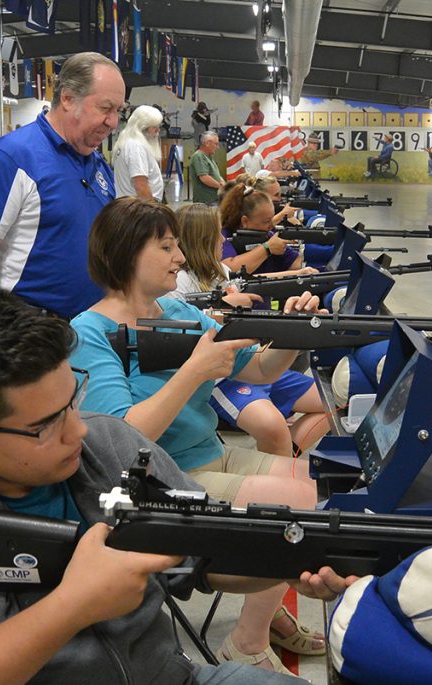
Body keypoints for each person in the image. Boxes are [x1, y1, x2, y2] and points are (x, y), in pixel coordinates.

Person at [0, 287, 354, 684]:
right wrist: (73, 605)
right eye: (46, 424)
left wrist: (287, 561)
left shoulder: (106, 444)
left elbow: (203, 557)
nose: (80, 430)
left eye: (74, 399)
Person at [70, 197, 330, 674]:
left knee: (319, 494)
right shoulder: (88, 332)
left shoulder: (172, 308)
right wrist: (192, 371)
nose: (181, 257)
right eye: (166, 247)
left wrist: (294, 333)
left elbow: (257, 367)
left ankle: (266, 616)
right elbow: (123, 440)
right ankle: (247, 642)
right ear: (127, 253)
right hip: (160, 482)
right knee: (297, 511)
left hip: (212, 454)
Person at [0, 52, 123, 320]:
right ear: (69, 99)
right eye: (106, 108)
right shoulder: (12, 157)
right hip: (32, 332)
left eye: (118, 110)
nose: (113, 121)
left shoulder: (97, 164)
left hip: (92, 325)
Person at [173, 203, 329, 457]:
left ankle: (285, 451)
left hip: (249, 360)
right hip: (220, 376)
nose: (223, 238)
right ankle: (278, 465)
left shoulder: (217, 269)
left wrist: (297, 274)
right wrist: (221, 307)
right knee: (272, 427)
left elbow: (250, 284)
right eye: (216, 233)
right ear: (201, 239)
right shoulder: (179, 282)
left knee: (332, 404)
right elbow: (181, 336)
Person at [220, 185, 313, 278]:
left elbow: (295, 263)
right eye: (266, 221)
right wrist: (267, 249)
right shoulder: (222, 236)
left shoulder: (268, 235)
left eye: (272, 219)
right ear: (245, 221)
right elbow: (228, 269)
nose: (272, 225)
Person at [113, 105, 165, 201]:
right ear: (143, 127)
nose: (158, 130)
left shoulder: (126, 142)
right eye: (154, 127)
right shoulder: (136, 147)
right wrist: (153, 209)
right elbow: (140, 185)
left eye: (158, 126)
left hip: (131, 205)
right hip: (140, 207)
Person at [190, 131, 224, 205]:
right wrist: (221, 186)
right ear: (207, 143)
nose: (217, 147)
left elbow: (216, 174)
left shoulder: (209, 157)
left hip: (214, 198)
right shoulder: (199, 156)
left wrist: (224, 184)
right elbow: (204, 177)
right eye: (216, 144)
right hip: (206, 201)